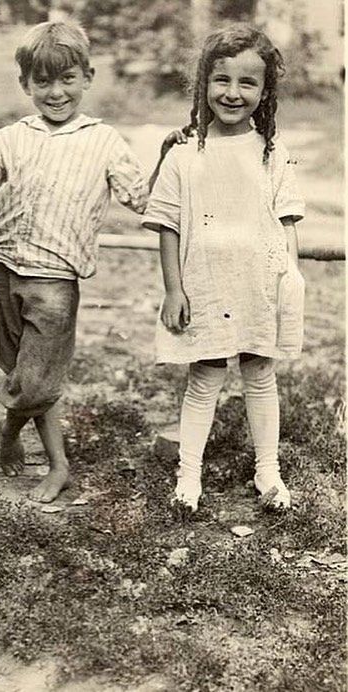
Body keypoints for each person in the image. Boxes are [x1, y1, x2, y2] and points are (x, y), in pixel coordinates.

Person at [0, 21, 173, 503]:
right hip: (4, 268)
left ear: (87, 77)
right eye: (43, 81)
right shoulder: (10, 138)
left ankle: (43, 456)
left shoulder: (103, 140)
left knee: (37, 380)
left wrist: (166, 156)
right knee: (17, 370)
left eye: (67, 79)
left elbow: (143, 199)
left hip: (56, 281)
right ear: (26, 84)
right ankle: (26, 436)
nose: (55, 92)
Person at [142, 25, 305, 511]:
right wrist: (175, 291)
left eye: (247, 83)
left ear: (265, 91)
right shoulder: (184, 155)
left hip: (258, 285)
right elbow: (167, 226)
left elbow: (286, 224)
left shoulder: (272, 154)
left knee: (260, 374)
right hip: (205, 285)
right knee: (205, 376)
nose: (233, 93)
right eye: (222, 80)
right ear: (203, 84)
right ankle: (188, 478)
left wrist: (289, 282)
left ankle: (268, 474)